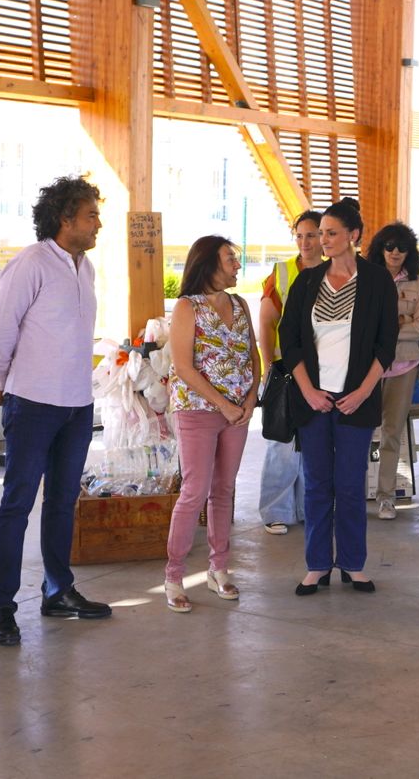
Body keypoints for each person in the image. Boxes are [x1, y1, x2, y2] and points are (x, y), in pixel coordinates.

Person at [0, 175, 112, 646]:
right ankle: (1, 606)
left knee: (62, 502)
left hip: (77, 405)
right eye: (91, 215)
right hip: (32, 404)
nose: (99, 223)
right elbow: (1, 330)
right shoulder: (31, 263)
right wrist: (1, 382)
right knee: (16, 504)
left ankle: (58, 590)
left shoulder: (86, 268)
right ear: (65, 219)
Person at [278, 197, 397, 595]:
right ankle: (316, 564)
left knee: (349, 484)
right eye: (319, 234)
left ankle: (352, 563)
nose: (322, 240)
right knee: (316, 484)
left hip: (355, 400)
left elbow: (386, 345)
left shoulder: (377, 281)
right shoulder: (307, 280)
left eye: (330, 233)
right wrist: (308, 390)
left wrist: (363, 392)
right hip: (313, 400)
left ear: (354, 235)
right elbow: (289, 341)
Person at [162, 236, 259, 613]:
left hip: (239, 412)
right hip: (199, 411)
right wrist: (224, 404)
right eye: (230, 259)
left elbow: (253, 353)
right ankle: (174, 576)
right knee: (195, 490)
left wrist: (250, 400)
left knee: (225, 489)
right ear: (208, 263)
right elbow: (183, 367)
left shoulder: (240, 304)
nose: (236, 265)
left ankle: (219, 568)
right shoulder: (188, 307)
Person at [256, 210, 323, 534]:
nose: (305, 242)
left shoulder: (338, 272)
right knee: (282, 440)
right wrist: (271, 366)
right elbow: (267, 322)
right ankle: (276, 511)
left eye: (311, 235)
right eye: (299, 235)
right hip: (286, 369)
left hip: (325, 371)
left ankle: (308, 508)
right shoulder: (282, 272)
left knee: (315, 442)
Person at [365, 222, 419, 520]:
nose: (395, 252)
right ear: (380, 248)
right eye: (389, 246)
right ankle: (350, 492)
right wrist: (396, 326)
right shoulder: (363, 279)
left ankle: (386, 496)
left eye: (402, 247)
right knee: (359, 430)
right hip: (367, 368)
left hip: (404, 366)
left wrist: (385, 331)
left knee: (392, 432)